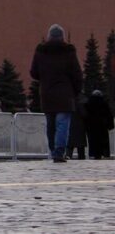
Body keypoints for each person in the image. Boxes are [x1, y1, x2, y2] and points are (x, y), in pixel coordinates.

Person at [30, 23, 83, 163]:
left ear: (49, 36)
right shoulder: (69, 51)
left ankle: (53, 150)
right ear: (62, 37)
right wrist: (75, 91)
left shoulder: (41, 51)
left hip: (47, 93)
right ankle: (59, 152)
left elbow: (33, 72)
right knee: (62, 124)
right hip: (65, 94)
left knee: (51, 124)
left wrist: (45, 78)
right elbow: (77, 74)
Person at [84, 90, 113, 159]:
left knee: (93, 140)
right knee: (103, 141)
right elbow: (109, 115)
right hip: (102, 125)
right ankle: (103, 153)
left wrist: (85, 125)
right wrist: (110, 126)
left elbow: (86, 115)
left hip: (91, 125)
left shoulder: (88, 103)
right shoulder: (104, 103)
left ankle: (94, 153)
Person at [68, 92, 88, 160]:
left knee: (70, 144)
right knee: (80, 145)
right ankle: (81, 157)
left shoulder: (69, 103)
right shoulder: (81, 104)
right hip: (80, 126)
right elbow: (84, 114)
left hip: (70, 125)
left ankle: (68, 156)